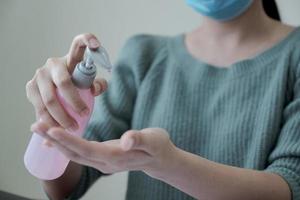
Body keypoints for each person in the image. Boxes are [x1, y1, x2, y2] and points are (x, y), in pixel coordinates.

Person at [26, 0, 300, 199]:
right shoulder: (143, 55)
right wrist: (55, 124)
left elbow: (290, 185)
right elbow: (68, 185)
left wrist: (171, 165)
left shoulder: (294, 55)